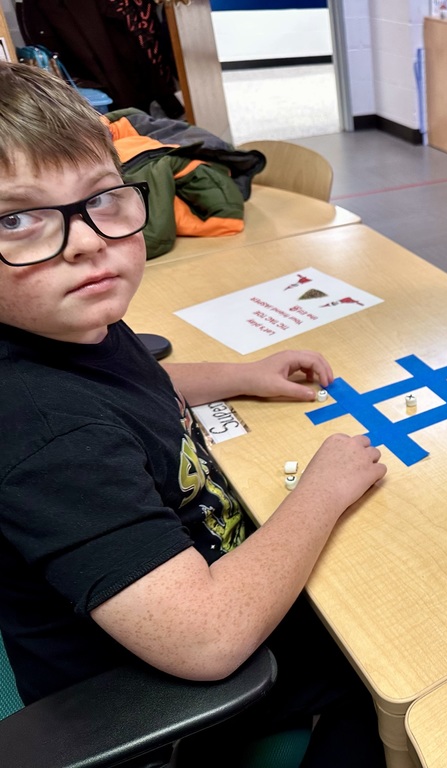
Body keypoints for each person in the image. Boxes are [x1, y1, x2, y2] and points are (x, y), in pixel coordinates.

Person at [0, 61, 387, 765]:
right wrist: (320, 493)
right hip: (169, 697)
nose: (86, 240)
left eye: (100, 199)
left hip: (193, 588)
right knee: (385, 679)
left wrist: (243, 374)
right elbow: (206, 638)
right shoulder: (46, 434)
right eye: (18, 219)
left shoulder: (64, 321)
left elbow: (128, 385)